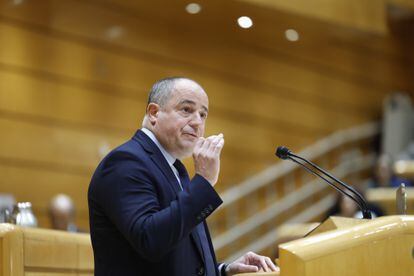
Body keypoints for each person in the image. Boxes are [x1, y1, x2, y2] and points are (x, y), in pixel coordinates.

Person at [88, 77, 279, 276]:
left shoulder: (176, 169)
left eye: (203, 114)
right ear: (154, 113)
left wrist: (223, 270)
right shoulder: (125, 161)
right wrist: (204, 181)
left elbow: (177, 254)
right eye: (187, 110)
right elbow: (150, 240)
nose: (197, 122)